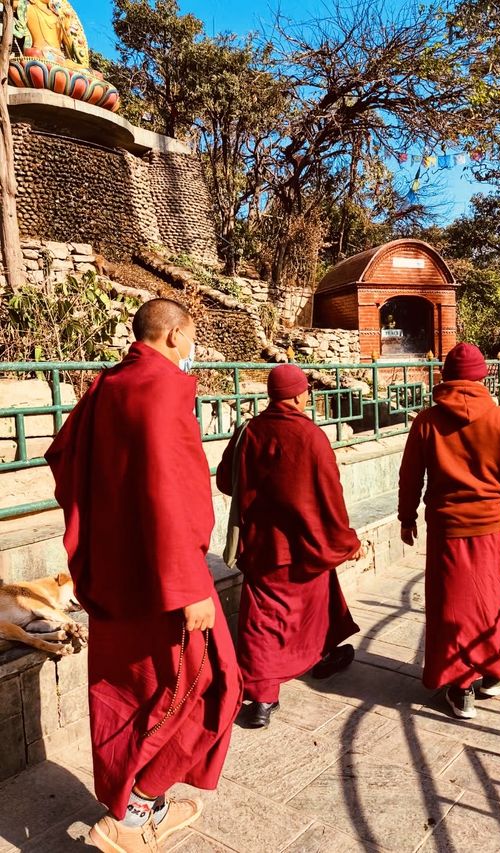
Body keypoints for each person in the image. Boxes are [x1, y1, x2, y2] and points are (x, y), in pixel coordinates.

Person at [45, 298, 242, 853]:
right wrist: (188, 587)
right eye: (192, 336)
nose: (192, 348)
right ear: (176, 334)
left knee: (131, 691)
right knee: (209, 685)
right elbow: (167, 493)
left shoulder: (106, 387)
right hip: (166, 579)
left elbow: (66, 461)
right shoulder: (162, 391)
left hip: (113, 570)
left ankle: (141, 804)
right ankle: (130, 816)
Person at [397, 343, 500, 721]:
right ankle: (490, 672)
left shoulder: (426, 421)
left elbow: (410, 477)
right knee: (491, 605)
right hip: (492, 531)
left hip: (446, 531)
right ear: (482, 376)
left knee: (451, 606)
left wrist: (407, 517)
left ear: (445, 377)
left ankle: (460, 685)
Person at [216, 363, 365, 728]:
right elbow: (331, 496)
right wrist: (346, 540)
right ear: (299, 395)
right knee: (311, 606)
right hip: (305, 546)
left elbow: (224, 480)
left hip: (263, 546)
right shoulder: (310, 436)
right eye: (306, 390)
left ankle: (263, 700)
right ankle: (305, 665)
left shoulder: (249, 431)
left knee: (263, 619)